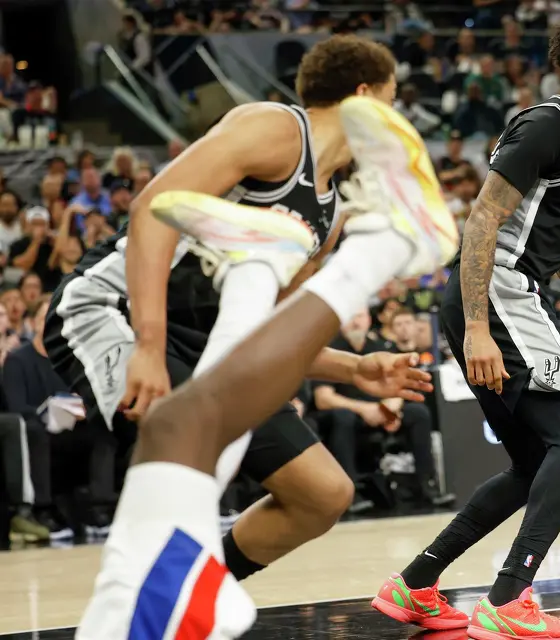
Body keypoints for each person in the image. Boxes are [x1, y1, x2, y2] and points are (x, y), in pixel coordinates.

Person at [47, 35, 459, 639]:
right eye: (393, 101)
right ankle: (168, 599)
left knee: (321, 493)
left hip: (214, 336)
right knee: (185, 439)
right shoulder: (276, 129)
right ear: (366, 97)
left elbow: (273, 335)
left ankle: (192, 592)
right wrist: (149, 346)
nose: (397, 116)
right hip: (115, 311)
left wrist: (354, 368)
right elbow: (150, 210)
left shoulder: (330, 211)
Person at [372, 5, 560, 639]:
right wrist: (479, 328)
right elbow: (482, 218)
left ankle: (415, 584)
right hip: (498, 297)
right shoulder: (546, 126)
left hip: (506, 298)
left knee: (533, 462)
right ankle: (508, 599)